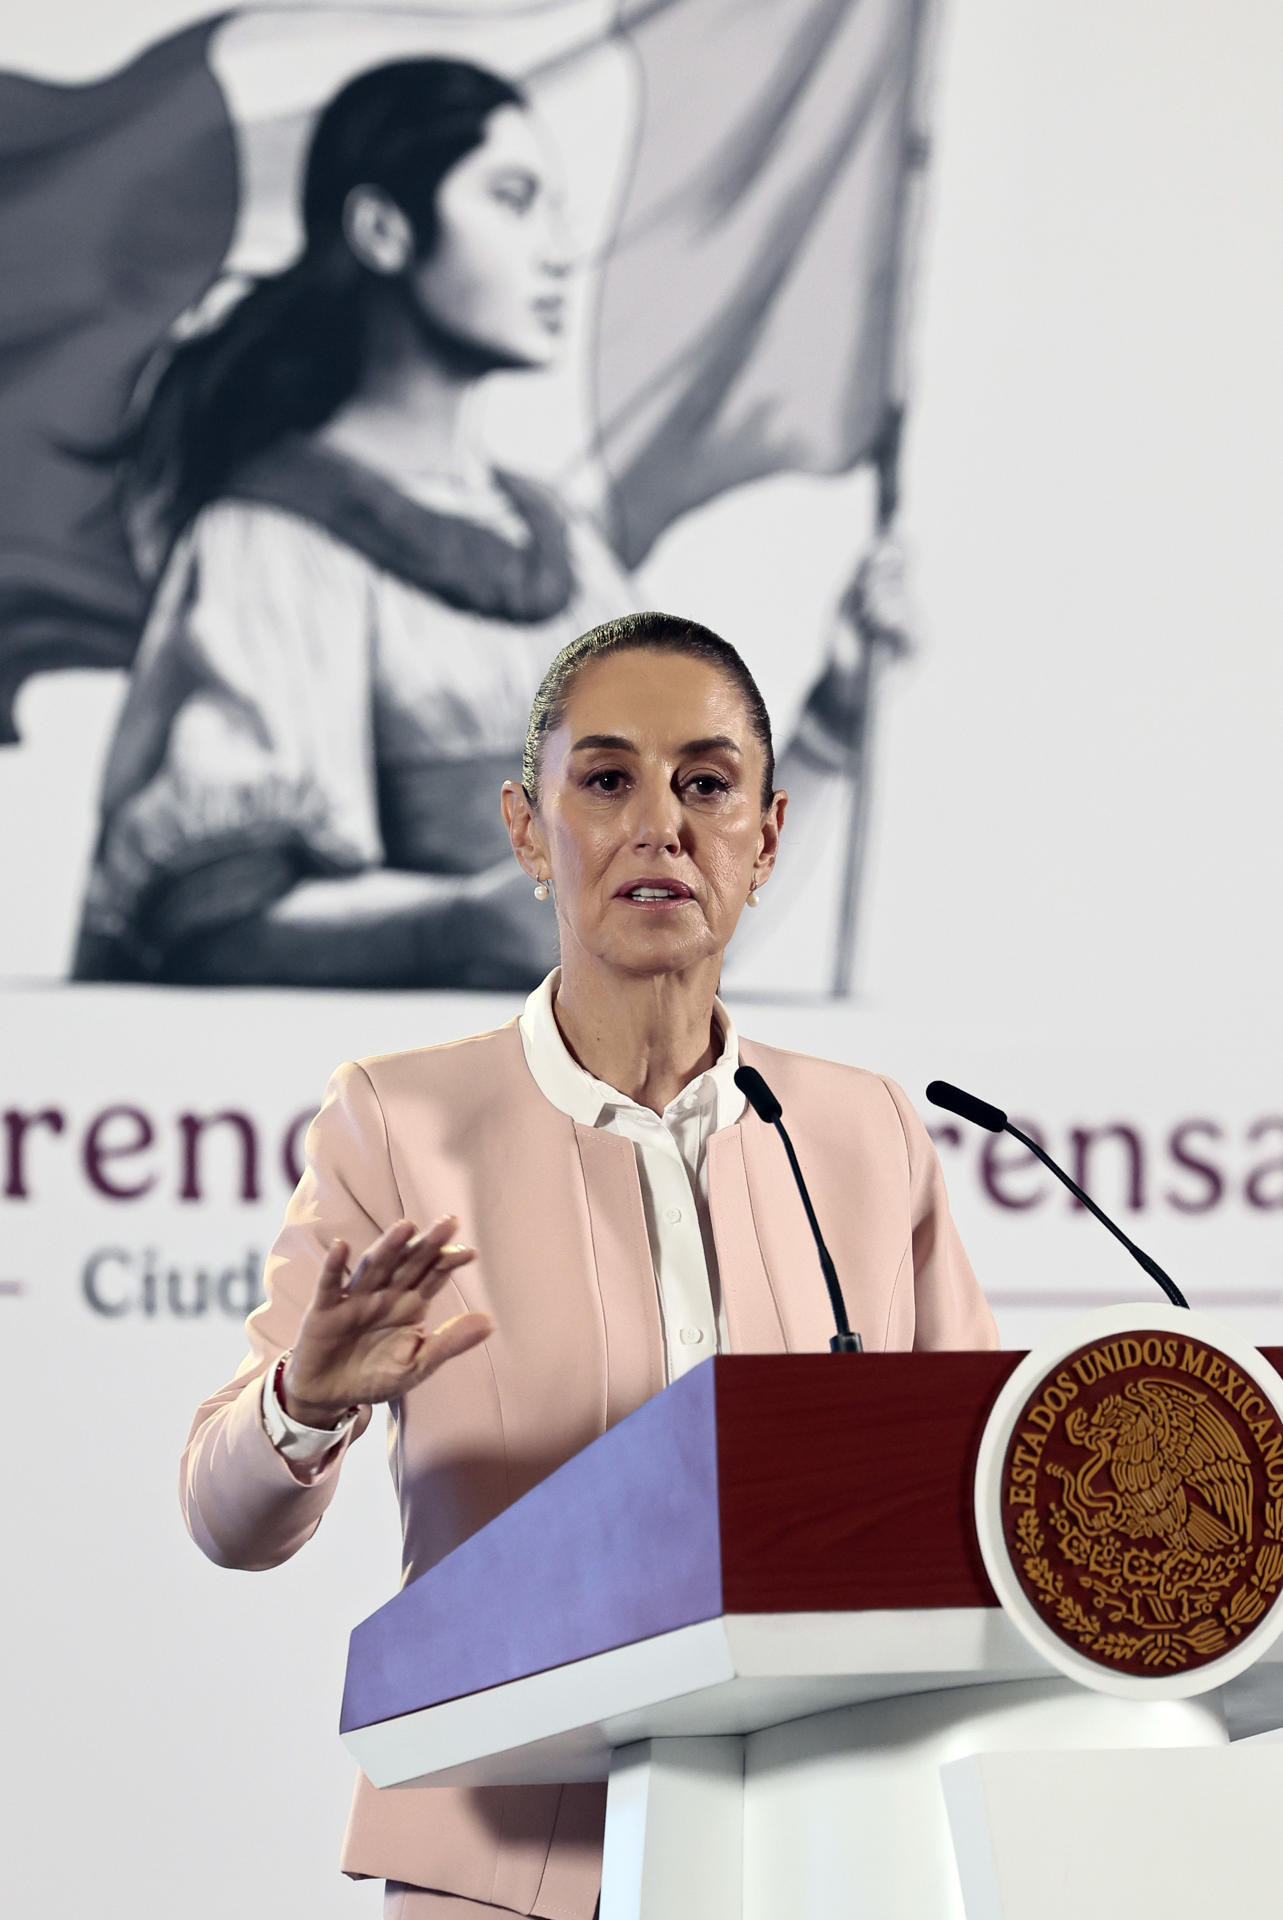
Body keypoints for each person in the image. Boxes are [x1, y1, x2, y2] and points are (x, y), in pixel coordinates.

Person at [180, 610, 998, 1919]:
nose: (659, 823)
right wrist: (304, 1404)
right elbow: (223, 1516)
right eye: (606, 779)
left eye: (706, 784)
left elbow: (982, 1495)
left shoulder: (861, 1131)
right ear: (524, 829)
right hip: (509, 1863)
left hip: (823, 1855)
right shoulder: (396, 1118)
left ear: (765, 837)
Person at [71, 57, 871, 993]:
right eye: (512, 198)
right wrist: (472, 925)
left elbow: (685, 919)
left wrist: (829, 723)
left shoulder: (567, 554)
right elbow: (223, 920)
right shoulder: (273, 540)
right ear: (382, 229)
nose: (556, 250)